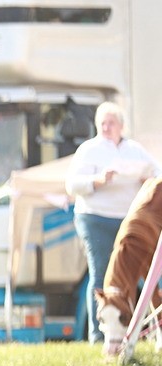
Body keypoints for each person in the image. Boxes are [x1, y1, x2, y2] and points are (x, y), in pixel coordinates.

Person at [65, 102, 161, 343]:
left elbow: (157, 174)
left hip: (128, 220)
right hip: (95, 218)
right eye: (102, 123)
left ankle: (142, 330)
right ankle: (99, 334)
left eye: (111, 123)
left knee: (143, 273)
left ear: (121, 126)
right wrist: (98, 180)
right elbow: (72, 185)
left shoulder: (134, 150)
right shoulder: (89, 150)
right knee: (100, 273)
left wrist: (147, 180)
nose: (106, 127)